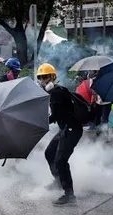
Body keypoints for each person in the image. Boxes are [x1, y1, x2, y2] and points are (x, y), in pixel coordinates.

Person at [37, 63, 83, 205]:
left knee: (61, 160)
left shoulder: (57, 92)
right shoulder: (54, 92)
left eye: (45, 77)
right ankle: (58, 181)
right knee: (49, 153)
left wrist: (42, 122)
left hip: (72, 129)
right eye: (40, 77)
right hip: (65, 129)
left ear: (52, 77)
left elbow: (55, 116)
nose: (42, 80)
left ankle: (69, 195)